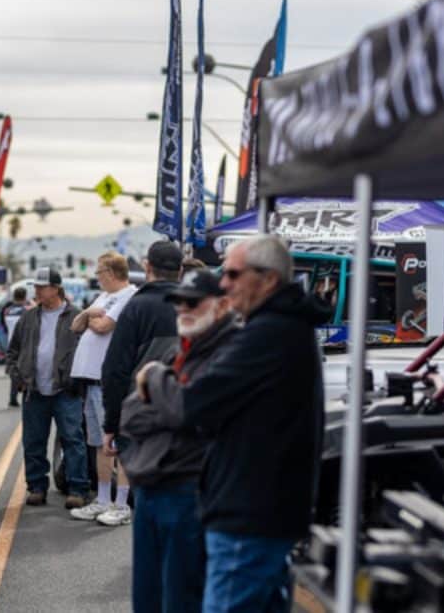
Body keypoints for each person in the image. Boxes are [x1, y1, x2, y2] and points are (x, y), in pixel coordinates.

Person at [162, 235, 328, 612]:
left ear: (268, 280)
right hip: (262, 508)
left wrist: (155, 380)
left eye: (234, 274)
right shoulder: (281, 327)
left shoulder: (268, 332)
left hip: (249, 513)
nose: (224, 283)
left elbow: (193, 405)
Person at [122, 270, 240, 612]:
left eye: (193, 302)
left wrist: (155, 379)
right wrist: (169, 397)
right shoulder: (180, 349)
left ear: (221, 306)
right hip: (151, 491)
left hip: (190, 493)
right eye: (178, 303)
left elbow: (187, 412)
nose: (183, 309)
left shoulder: (230, 351)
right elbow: (131, 415)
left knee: (181, 599)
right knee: (147, 599)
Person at [6, 267, 88, 509]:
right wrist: (17, 376)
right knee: (33, 441)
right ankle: (37, 487)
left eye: (42, 287)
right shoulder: (28, 317)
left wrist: (78, 380)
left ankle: (77, 488)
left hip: (66, 391)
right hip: (34, 391)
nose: (38, 291)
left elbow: (88, 350)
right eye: (37, 287)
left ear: (56, 288)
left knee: (73, 440)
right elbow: (13, 351)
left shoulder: (77, 316)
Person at [68, 252, 137, 527]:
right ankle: (103, 498)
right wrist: (87, 313)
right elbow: (78, 326)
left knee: (117, 443)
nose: (97, 277)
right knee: (98, 443)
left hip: (109, 381)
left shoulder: (127, 297)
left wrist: (91, 318)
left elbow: (102, 326)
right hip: (91, 381)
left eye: (99, 272)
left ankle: (121, 504)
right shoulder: (102, 298)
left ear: (110, 272)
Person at [101, 241, 183, 457]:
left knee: (145, 485)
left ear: (147, 268)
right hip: (187, 417)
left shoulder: (136, 308)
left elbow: (115, 370)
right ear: (180, 270)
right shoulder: (199, 306)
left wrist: (111, 424)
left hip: (142, 417)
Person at [2, 287, 30, 407]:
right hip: (23, 343)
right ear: (24, 297)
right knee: (24, 369)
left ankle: (13, 397)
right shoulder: (26, 312)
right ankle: (23, 395)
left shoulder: (7, 310)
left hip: (9, 341)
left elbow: (3, 325)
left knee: (14, 370)